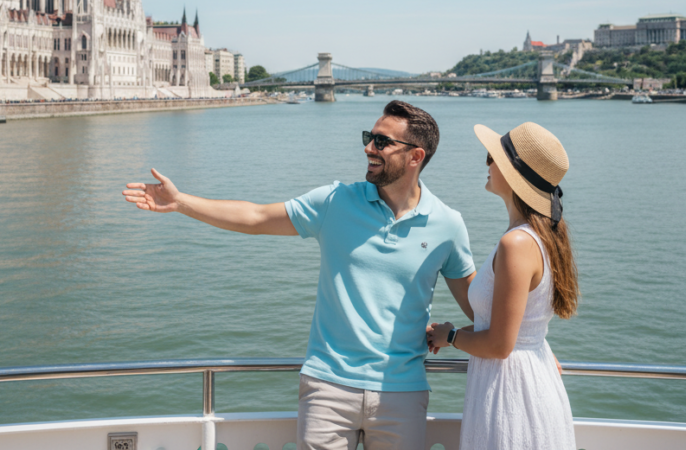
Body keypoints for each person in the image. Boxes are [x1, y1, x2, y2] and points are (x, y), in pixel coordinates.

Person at [123, 100, 476, 450]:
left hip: (402, 392)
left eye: (382, 142)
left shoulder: (447, 224)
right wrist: (181, 202)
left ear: (416, 156)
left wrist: (456, 335)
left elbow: (482, 309)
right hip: (328, 388)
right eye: (369, 137)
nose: (369, 147)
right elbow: (257, 217)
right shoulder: (336, 201)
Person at [426, 121, 578, 450]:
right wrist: (451, 331)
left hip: (510, 392)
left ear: (511, 174)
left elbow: (500, 345)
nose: (487, 164)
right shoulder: (541, 237)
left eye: (492, 157)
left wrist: (451, 337)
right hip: (530, 379)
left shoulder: (517, 244)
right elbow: (514, 327)